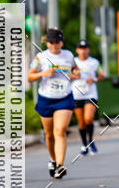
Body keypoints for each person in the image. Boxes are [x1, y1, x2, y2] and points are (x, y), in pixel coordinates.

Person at [28, 27, 79, 179]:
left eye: (57, 42)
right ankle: (53, 159)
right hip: (46, 98)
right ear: (47, 42)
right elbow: (29, 77)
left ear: (62, 42)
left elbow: (75, 70)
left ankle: (60, 166)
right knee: (49, 135)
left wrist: (75, 74)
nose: (54, 45)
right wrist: (43, 73)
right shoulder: (41, 57)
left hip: (64, 98)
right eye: (51, 42)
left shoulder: (68, 55)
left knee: (60, 131)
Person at [72, 39, 104, 155]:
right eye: (81, 49)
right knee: (81, 122)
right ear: (77, 50)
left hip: (90, 94)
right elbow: (66, 76)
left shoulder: (94, 62)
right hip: (76, 94)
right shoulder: (73, 62)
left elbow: (102, 75)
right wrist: (73, 76)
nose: (83, 51)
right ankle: (84, 144)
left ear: (88, 50)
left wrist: (94, 79)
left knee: (88, 118)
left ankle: (91, 141)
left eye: (85, 48)